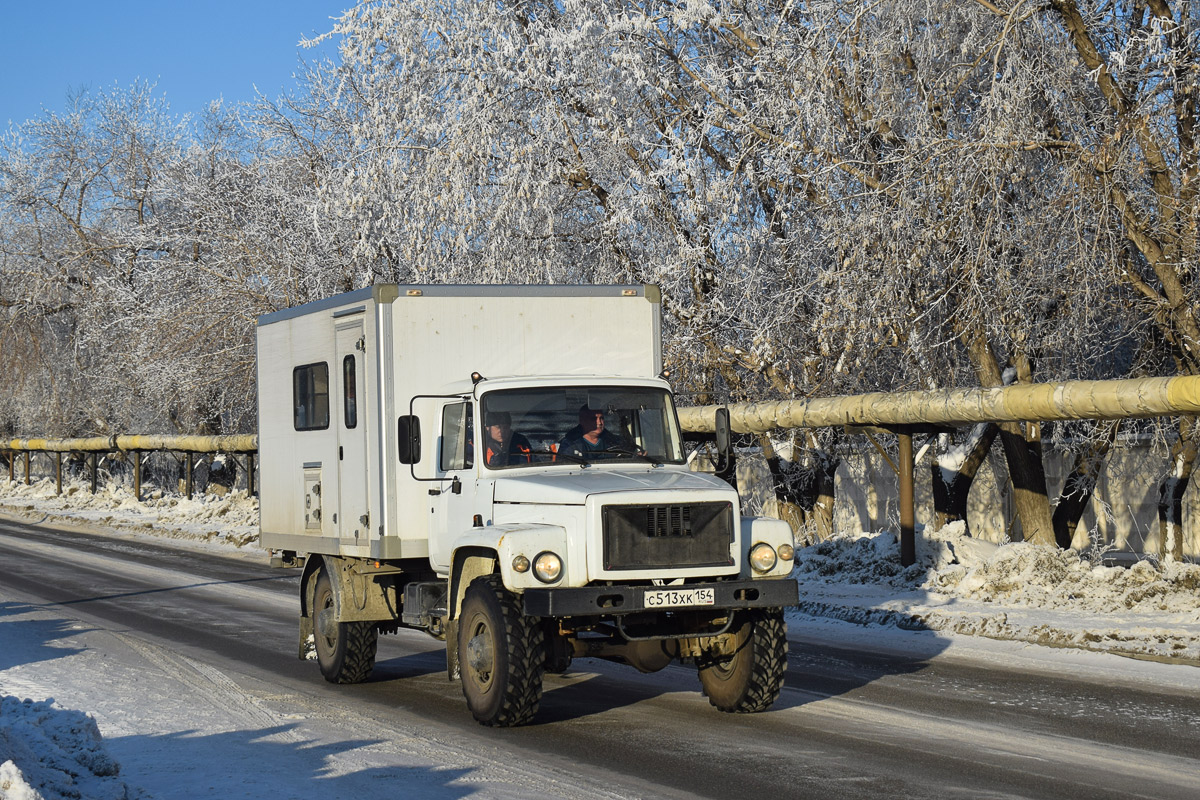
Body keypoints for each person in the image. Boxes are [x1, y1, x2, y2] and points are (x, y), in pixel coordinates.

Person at [557, 405, 625, 460]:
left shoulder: (615, 442)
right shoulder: (569, 444)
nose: (599, 423)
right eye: (594, 419)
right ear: (582, 421)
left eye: (601, 418)